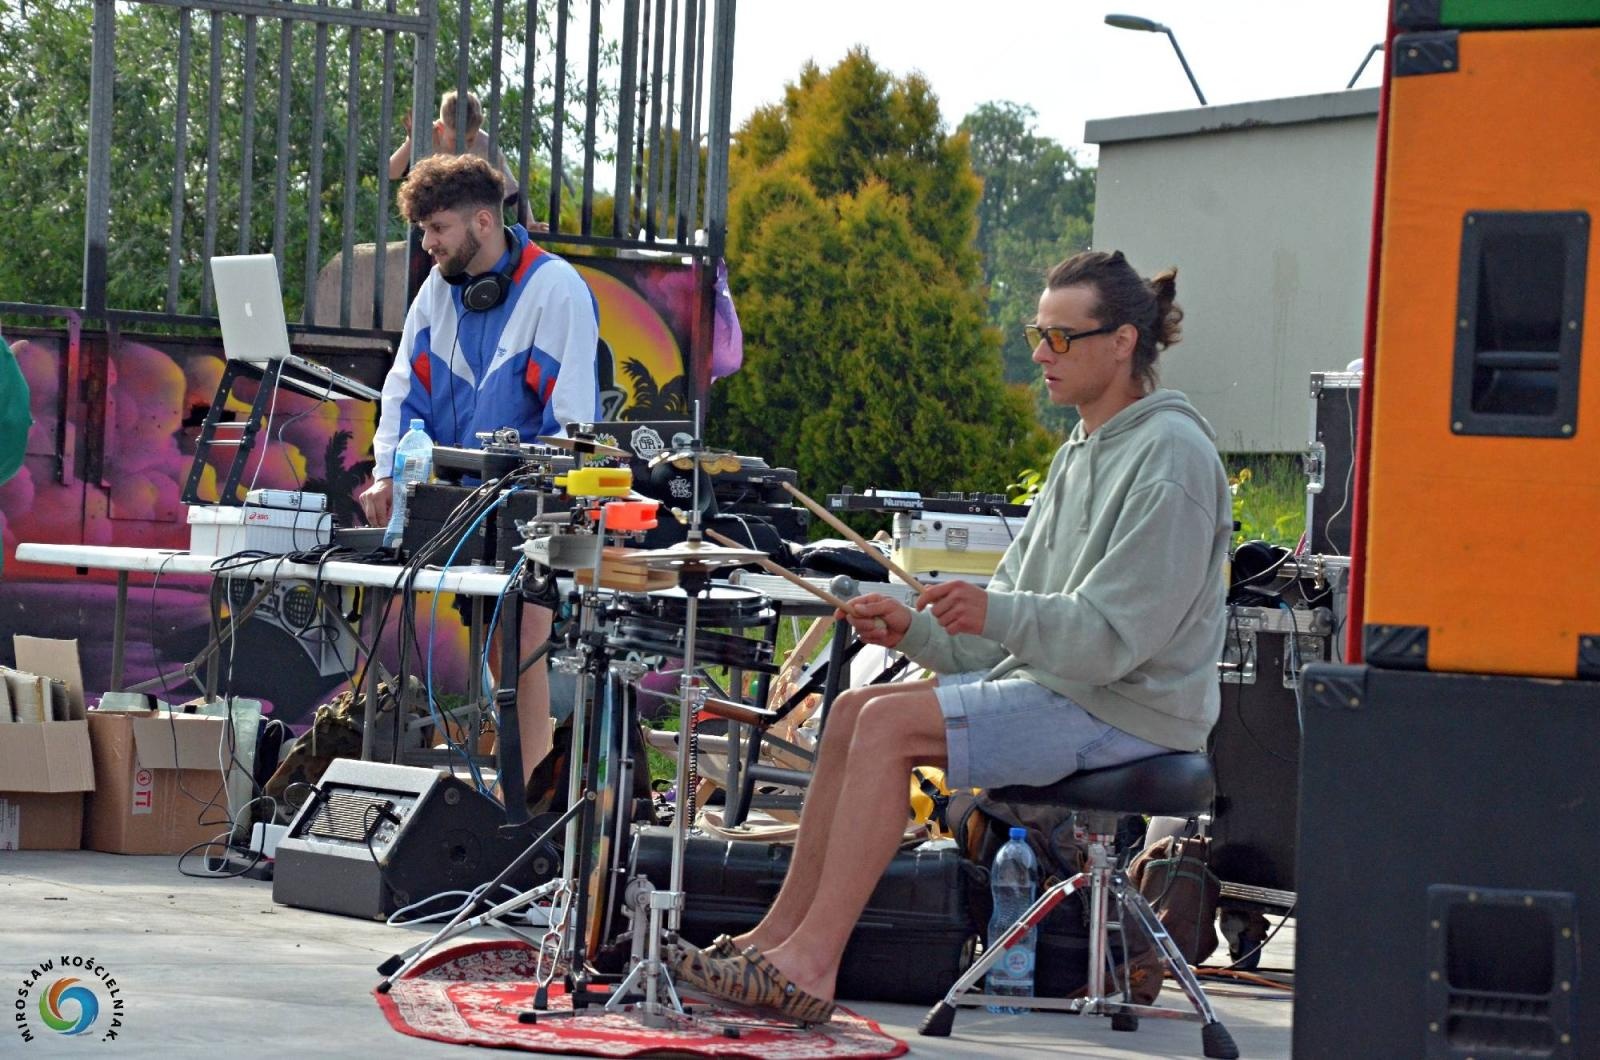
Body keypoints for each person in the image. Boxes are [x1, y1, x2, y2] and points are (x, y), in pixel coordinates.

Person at [672, 249, 1231, 1024]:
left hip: (1128, 711)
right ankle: (777, 942)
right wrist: (920, 628)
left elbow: (1110, 642)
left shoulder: (1171, 458)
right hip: (1069, 688)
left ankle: (812, 967)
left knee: (891, 724)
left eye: (1061, 337)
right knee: (853, 712)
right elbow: (1010, 635)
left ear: (1124, 341)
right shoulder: (1081, 451)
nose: (1039, 353)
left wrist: (994, 612)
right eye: (1040, 332)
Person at [359, 153, 600, 788]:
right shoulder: (437, 291)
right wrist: (387, 473)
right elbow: (401, 389)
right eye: (423, 232)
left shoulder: (557, 290)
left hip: (526, 517)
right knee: (500, 658)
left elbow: (573, 421)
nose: (428, 245)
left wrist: (545, 504)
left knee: (518, 655)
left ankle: (529, 806)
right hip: (452, 510)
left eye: (437, 229)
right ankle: (513, 796)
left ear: (485, 222)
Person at [388, 90, 538, 231]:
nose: (465, 146)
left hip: (466, 221)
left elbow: (512, 191)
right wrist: (411, 142)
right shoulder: (427, 136)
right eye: (456, 140)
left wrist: (529, 222)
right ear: (440, 128)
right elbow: (391, 172)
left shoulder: (486, 146)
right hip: (427, 220)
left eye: (471, 139)